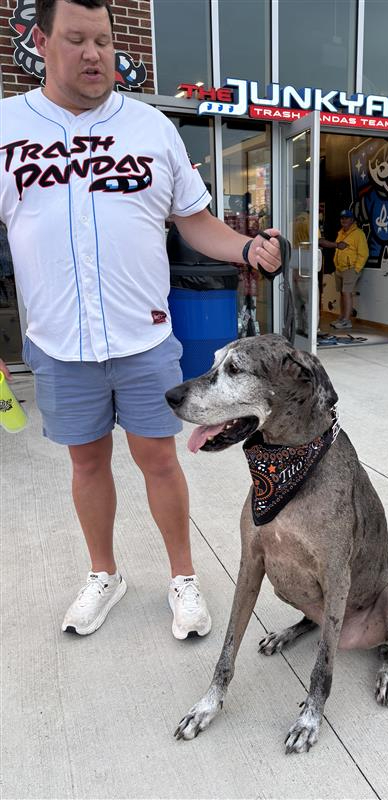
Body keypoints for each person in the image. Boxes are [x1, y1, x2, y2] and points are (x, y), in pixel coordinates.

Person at [0, 0, 283, 639]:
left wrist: (246, 247)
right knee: (87, 463)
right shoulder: (7, 126)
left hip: (144, 336)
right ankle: (105, 573)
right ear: (42, 41)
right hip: (57, 341)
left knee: (159, 459)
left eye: (102, 39)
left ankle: (182, 578)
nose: (94, 53)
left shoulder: (151, 127)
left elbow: (195, 220)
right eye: (77, 39)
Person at [319, 209, 368, 330]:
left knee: (347, 293)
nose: (344, 220)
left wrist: (356, 269)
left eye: (347, 218)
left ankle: (347, 320)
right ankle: (342, 317)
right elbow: (338, 249)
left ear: (352, 220)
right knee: (342, 293)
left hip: (350, 269)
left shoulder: (358, 234)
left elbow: (364, 253)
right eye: (342, 218)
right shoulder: (340, 233)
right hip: (340, 268)